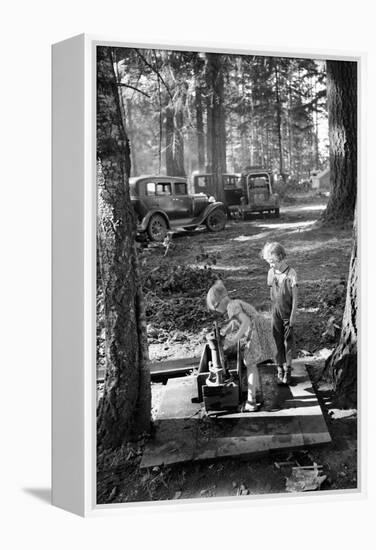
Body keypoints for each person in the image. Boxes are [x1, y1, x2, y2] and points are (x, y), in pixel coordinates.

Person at [206, 280, 276, 412]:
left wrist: (233, 340)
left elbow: (245, 322)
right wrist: (224, 332)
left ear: (219, 302)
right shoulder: (234, 304)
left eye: (215, 309)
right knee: (252, 363)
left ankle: (251, 401)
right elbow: (235, 323)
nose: (217, 312)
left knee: (249, 363)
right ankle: (257, 393)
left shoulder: (231, 306)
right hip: (260, 329)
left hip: (256, 331)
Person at [261, 242, 298, 385]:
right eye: (268, 262)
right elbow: (272, 289)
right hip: (275, 312)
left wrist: (293, 315)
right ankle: (279, 368)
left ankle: (288, 369)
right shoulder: (271, 273)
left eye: (273, 262)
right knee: (276, 341)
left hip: (288, 313)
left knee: (288, 342)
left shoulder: (291, 274)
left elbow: (295, 297)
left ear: (281, 257)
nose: (271, 265)